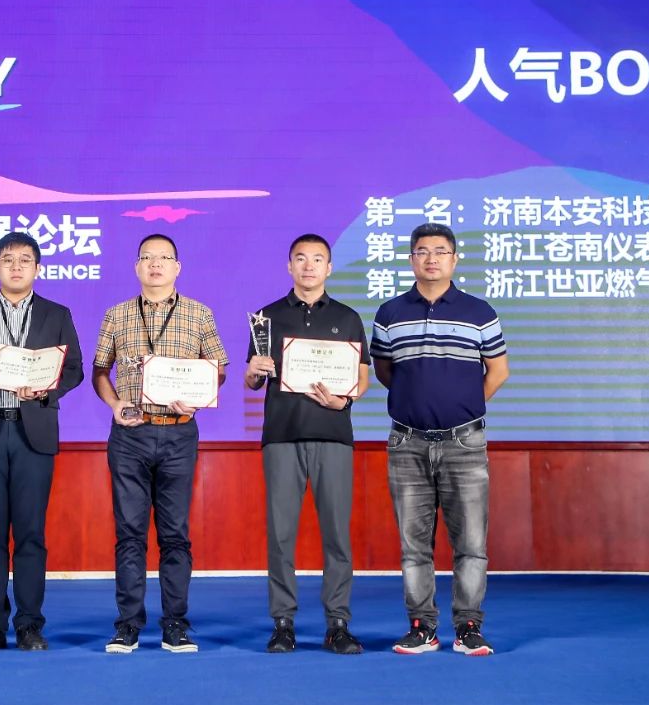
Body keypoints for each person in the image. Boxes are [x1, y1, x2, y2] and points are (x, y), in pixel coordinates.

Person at [370, 222, 509, 656]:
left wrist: (462, 406)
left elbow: (498, 371)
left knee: (471, 545)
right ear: (411, 258)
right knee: (414, 547)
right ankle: (422, 627)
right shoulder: (390, 313)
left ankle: (468, 627)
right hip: (407, 443)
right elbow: (386, 372)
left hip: (465, 444)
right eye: (422, 251)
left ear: (454, 259)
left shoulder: (479, 311)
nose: (431, 258)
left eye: (440, 251)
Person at [0, 232, 84, 652]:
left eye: (25, 259)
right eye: (8, 259)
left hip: (32, 433)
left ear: (38, 268)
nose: (17, 266)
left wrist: (46, 389)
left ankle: (29, 625)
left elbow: (74, 369)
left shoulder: (57, 314)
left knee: (30, 534)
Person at [92, 233, 228, 654]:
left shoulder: (199, 314)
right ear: (137, 266)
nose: (155, 264)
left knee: (175, 534)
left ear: (177, 267)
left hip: (179, 433)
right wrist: (114, 403)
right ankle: (128, 625)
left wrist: (201, 393)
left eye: (164, 257)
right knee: (129, 534)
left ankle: (176, 625)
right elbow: (100, 371)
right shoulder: (117, 314)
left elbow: (219, 369)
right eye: (147, 257)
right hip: (130, 434)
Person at [246, 234, 370, 654]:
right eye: (300, 258)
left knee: (336, 534)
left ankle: (338, 623)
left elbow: (362, 377)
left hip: (333, 436)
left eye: (318, 259)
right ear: (289, 265)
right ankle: (283, 622)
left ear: (329, 267)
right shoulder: (266, 317)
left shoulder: (348, 317)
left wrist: (345, 399)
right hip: (282, 436)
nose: (309, 266)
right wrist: (253, 371)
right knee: (281, 534)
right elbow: (252, 379)